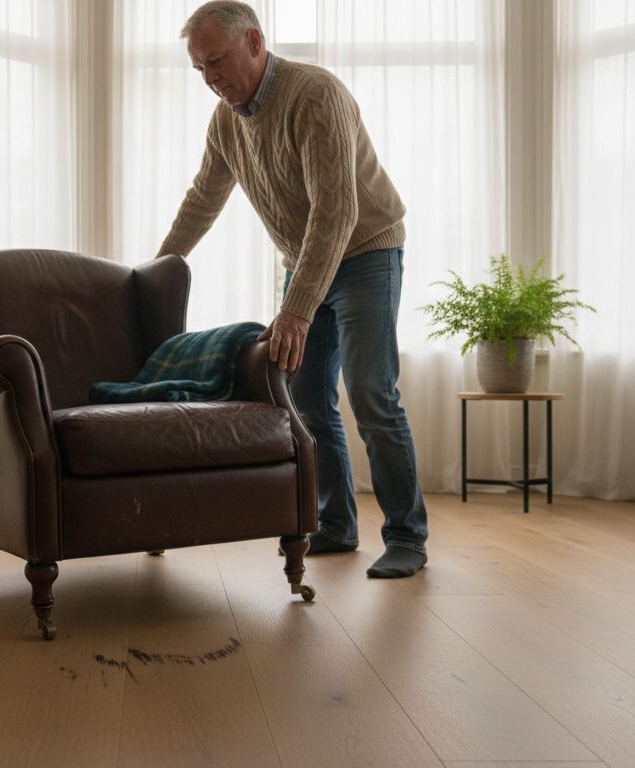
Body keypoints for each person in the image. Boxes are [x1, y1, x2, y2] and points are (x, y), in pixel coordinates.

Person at [158, 0, 428, 577]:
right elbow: (203, 198)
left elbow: (336, 213)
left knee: (371, 393)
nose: (210, 79)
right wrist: (160, 268)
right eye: (200, 68)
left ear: (255, 42)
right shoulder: (226, 121)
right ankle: (336, 524)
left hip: (367, 250)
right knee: (305, 399)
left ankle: (407, 536)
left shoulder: (315, 96)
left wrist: (296, 311)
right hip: (305, 260)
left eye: (217, 61)